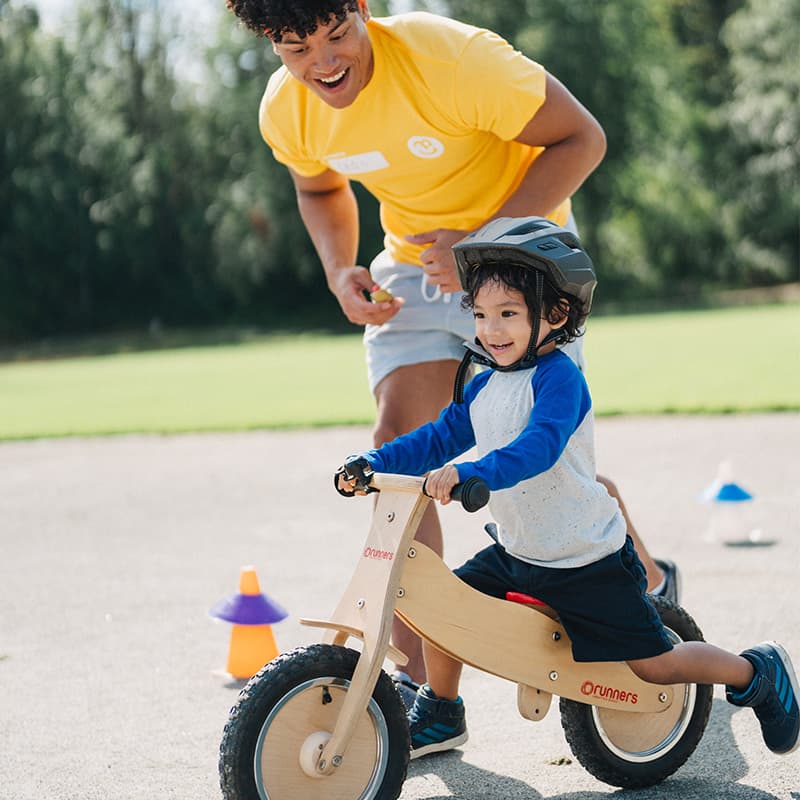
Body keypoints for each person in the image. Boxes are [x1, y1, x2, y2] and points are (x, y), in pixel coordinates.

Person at [226, 0, 680, 704]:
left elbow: (581, 140)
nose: (323, 63)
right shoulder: (288, 109)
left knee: (541, 462)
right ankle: (423, 690)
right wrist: (338, 266)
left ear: (362, 9)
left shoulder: (451, 61)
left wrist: (482, 244)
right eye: (295, 48)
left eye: (337, 33)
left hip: (523, 257)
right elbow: (317, 187)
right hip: (415, 266)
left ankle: (647, 584)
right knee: (400, 454)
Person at [336, 216, 800, 760]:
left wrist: (473, 472)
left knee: (655, 666)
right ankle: (442, 710)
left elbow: (540, 447)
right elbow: (437, 438)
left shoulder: (559, 379)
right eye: (482, 315)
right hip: (519, 552)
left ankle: (754, 670)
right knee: (444, 608)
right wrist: (374, 461)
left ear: (554, 315)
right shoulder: (485, 383)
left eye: (508, 314)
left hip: (585, 559)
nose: (491, 330)